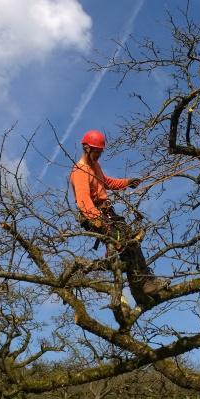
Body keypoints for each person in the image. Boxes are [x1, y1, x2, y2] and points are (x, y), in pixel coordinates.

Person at [70, 129, 162, 305]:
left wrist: (127, 182)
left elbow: (107, 182)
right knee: (124, 239)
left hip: (106, 213)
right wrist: (103, 223)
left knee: (130, 238)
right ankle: (141, 281)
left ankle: (144, 282)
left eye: (100, 152)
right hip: (94, 215)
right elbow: (84, 203)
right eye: (96, 151)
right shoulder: (80, 171)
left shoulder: (95, 166)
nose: (98, 155)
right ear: (86, 148)